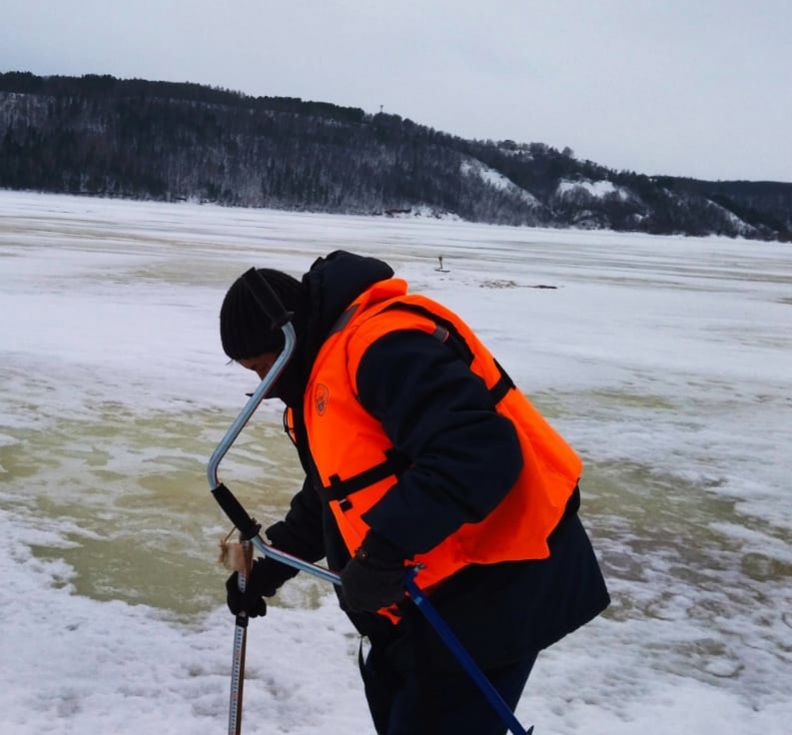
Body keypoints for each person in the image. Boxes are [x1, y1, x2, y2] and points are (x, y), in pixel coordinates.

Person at [218, 250, 609, 735]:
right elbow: (336, 492)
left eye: (264, 365)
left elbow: (477, 450)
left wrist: (385, 551)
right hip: (425, 607)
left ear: (289, 334)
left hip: (499, 586)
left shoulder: (380, 346)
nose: (264, 386)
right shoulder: (318, 380)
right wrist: (272, 564)